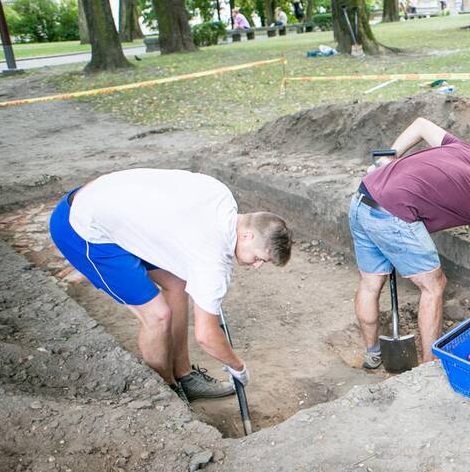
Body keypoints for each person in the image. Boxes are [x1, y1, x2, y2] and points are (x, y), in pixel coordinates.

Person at [48, 169, 293, 401]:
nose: (257, 265)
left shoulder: (221, 196)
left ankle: (184, 376)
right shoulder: (212, 260)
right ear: (247, 236)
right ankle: (168, 390)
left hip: (108, 204)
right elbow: (206, 336)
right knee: (158, 316)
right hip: (81, 227)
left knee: (177, 284)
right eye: (260, 258)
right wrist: (238, 367)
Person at [350, 118, 470, 368]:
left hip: (363, 197)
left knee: (370, 283)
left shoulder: (466, 152)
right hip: (392, 215)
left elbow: (420, 125)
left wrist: (390, 157)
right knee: (434, 285)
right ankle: (428, 365)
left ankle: (373, 353)